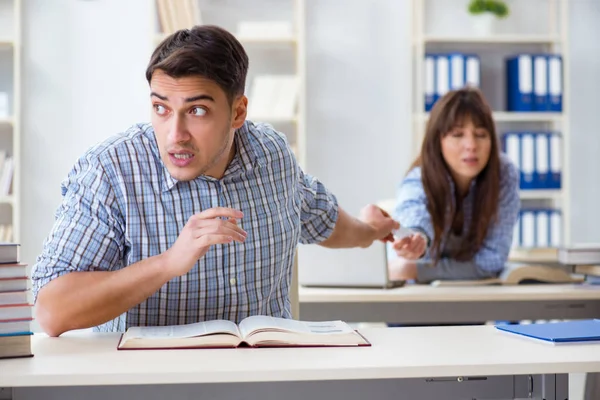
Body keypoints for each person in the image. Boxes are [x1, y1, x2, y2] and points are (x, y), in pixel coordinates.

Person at [31, 25, 399, 337]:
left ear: (238, 111)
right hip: (150, 388)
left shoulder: (271, 154)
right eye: (161, 108)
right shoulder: (110, 172)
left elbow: (320, 216)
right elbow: (51, 311)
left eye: (197, 111)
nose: (175, 134)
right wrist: (169, 262)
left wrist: (370, 230)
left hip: (264, 384)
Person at [386, 87, 520, 283]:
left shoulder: (504, 173)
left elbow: (492, 261)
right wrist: (418, 238)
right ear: (437, 140)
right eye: (458, 134)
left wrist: (419, 271)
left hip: (475, 299)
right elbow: (412, 211)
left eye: (481, 134)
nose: (471, 145)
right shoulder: (420, 177)